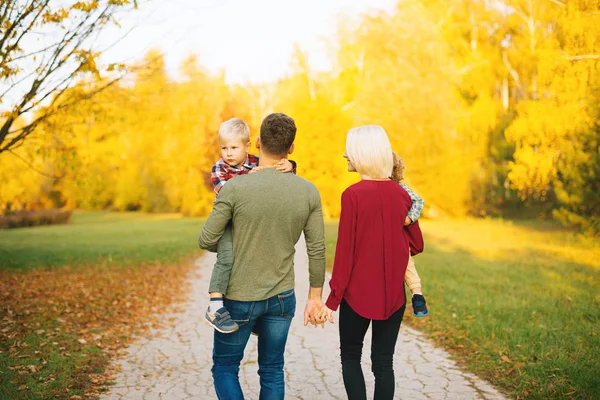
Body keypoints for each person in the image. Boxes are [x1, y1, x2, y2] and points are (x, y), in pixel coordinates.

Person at [198, 112, 327, 400]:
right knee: (272, 369)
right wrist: (315, 297)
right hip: (282, 298)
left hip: (239, 296)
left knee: (226, 366)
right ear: (291, 148)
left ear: (256, 143)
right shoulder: (308, 191)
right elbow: (317, 248)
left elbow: (206, 238)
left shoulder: (235, 187)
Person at [322, 125, 424, 400]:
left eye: (349, 150)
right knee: (383, 363)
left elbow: (345, 254)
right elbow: (417, 244)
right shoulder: (402, 194)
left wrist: (332, 301)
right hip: (393, 295)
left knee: (351, 357)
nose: (345, 155)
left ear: (362, 154)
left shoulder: (352, 195)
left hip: (356, 296)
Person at [203, 117, 296, 334]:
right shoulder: (219, 168)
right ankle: (215, 306)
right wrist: (248, 181)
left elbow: (281, 181)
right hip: (227, 223)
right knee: (226, 259)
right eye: (224, 147)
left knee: (253, 259)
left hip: (250, 223)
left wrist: (290, 165)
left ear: (247, 146)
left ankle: (252, 315)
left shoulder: (256, 161)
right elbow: (227, 194)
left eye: (233, 147)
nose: (228, 153)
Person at [391, 152, 429, 317]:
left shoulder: (400, 187)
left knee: (407, 263)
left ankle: (417, 294)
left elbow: (418, 201)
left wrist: (409, 218)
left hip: (399, 235)